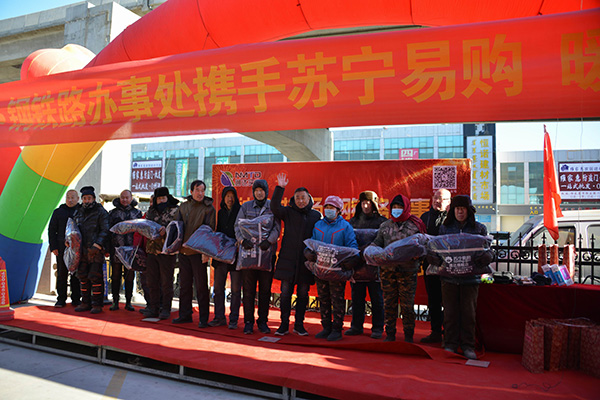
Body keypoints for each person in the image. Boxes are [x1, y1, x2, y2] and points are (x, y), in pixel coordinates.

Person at [437, 195, 493, 360]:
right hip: (449, 279)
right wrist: (435, 258)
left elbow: (489, 249)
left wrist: (489, 256)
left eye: (463, 209)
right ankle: (450, 344)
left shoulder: (479, 228)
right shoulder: (445, 228)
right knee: (450, 313)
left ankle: (468, 346)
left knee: (469, 314)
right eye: (457, 209)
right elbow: (438, 249)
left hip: (470, 279)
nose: (460, 212)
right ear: (453, 211)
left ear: (469, 211)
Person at [270, 173, 321, 336]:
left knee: (303, 295)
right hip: (288, 260)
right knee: (285, 294)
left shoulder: (315, 216)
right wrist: (280, 188)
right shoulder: (288, 212)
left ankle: (299, 325)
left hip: (305, 262)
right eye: (297, 198)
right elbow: (274, 207)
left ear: (309, 199)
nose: (300, 200)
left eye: (303, 197)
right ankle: (283, 325)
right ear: (294, 199)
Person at [372, 194, 426, 343]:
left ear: (406, 208)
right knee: (389, 304)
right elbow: (377, 243)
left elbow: (424, 246)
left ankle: (408, 335)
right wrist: (371, 251)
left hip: (407, 272)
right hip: (387, 272)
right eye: (394, 207)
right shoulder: (385, 226)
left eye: (400, 207)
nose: (397, 210)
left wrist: (417, 255)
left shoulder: (415, 225)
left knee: (407, 306)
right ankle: (390, 333)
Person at [309, 195, 358, 342]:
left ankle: (337, 329)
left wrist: (348, 261)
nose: (329, 210)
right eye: (327, 207)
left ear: (338, 210)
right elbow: (313, 242)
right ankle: (326, 327)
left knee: (337, 300)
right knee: (323, 299)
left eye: (332, 207)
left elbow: (352, 246)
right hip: (321, 270)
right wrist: (309, 252)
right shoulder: (318, 225)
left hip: (337, 271)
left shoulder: (345, 227)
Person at [235, 179, 280, 335]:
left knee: (265, 291)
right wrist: (242, 241)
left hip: (266, 256)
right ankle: (248, 322)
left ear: (266, 192)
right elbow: (237, 226)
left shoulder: (272, 207)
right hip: (249, 256)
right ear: (253, 192)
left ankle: (263, 321)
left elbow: (277, 227)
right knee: (248, 291)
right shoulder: (246, 207)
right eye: (257, 190)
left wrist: (269, 241)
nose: (259, 193)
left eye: (262, 190)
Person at [173, 180, 216, 328]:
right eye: (197, 190)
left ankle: (204, 318)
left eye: (203, 190)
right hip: (183, 251)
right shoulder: (183, 206)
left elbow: (210, 231)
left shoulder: (208, 208)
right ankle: (184, 315)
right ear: (191, 191)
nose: (200, 193)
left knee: (201, 286)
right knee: (184, 285)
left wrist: (206, 252)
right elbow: (176, 227)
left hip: (199, 252)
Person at [346, 191, 387, 339]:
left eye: (368, 203)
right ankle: (356, 326)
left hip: (375, 267)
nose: (365, 206)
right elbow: (348, 240)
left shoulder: (382, 222)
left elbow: (384, 242)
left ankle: (377, 328)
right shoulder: (353, 221)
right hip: (357, 265)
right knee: (357, 298)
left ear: (374, 204)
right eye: (363, 202)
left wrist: (367, 251)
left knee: (377, 299)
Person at [419, 189, 451, 344]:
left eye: (442, 199)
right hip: (430, 264)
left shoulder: (452, 218)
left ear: (449, 202)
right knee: (433, 299)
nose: (438, 201)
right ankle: (435, 331)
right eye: (436, 198)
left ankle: (450, 333)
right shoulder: (425, 217)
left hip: (449, 266)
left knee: (449, 300)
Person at [142, 187, 179, 320]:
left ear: (167, 198)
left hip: (167, 251)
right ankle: (154, 308)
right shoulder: (151, 211)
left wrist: (167, 231)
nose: (161, 201)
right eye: (159, 198)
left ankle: (166, 309)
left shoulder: (175, 210)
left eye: (163, 198)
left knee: (166, 282)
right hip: (152, 250)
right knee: (152, 281)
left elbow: (179, 229)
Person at [72, 186, 110, 314]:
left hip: (95, 250)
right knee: (82, 276)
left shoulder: (101, 212)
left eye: (89, 198)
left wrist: (98, 245)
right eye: (84, 198)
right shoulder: (78, 212)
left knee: (95, 277)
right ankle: (85, 302)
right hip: (81, 250)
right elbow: (73, 229)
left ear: (94, 198)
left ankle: (97, 304)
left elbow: (105, 229)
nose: (87, 200)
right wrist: (70, 241)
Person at [209, 186, 242, 329]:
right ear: (223, 198)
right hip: (221, 255)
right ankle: (219, 317)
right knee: (218, 288)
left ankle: (233, 319)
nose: (230, 199)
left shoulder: (240, 211)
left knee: (235, 290)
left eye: (232, 196)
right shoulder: (220, 212)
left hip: (236, 255)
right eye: (227, 196)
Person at [108, 189, 143, 311]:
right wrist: (108, 248)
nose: (124, 200)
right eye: (122, 197)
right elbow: (108, 231)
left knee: (129, 276)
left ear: (131, 198)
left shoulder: (137, 213)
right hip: (116, 249)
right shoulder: (112, 213)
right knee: (115, 275)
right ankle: (115, 301)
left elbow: (141, 230)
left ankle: (128, 302)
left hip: (132, 249)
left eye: (127, 197)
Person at [48, 189, 81, 308]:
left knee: (76, 274)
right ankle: (61, 298)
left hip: (77, 248)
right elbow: (52, 230)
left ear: (78, 198)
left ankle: (76, 298)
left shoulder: (81, 211)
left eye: (73, 197)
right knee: (62, 273)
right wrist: (54, 247)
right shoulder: (58, 212)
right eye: (68, 197)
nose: (70, 200)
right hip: (62, 248)